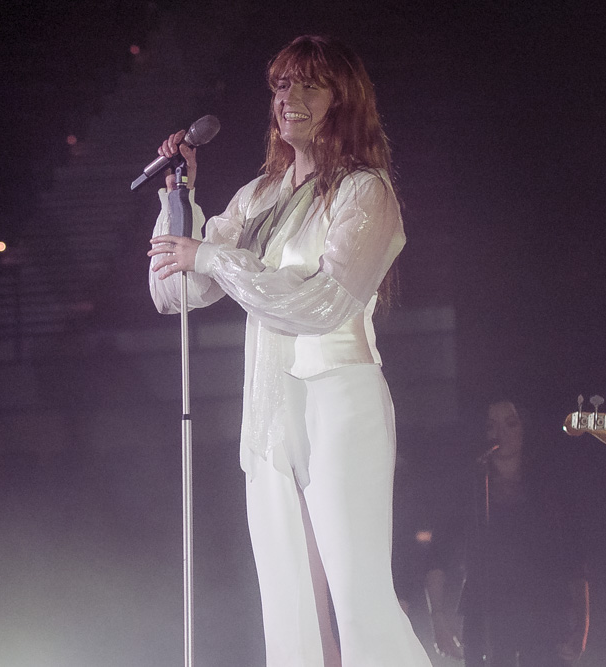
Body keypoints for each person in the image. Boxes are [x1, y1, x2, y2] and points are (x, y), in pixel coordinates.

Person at [147, 35, 431, 666]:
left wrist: (216, 256)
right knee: (288, 608)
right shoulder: (258, 197)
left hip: (340, 398)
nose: (290, 98)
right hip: (272, 412)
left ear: (343, 98)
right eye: (280, 85)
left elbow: (324, 301)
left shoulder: (365, 192)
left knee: (359, 603)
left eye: (308, 84)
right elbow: (175, 291)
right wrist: (179, 199)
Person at [425, 400, 590, 666]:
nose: (501, 432)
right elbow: (438, 554)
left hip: (544, 617)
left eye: (510, 423)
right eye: (492, 426)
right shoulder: (471, 486)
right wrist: (438, 620)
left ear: (524, 428)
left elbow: (574, 559)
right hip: (486, 617)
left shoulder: (550, 485)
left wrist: (581, 627)